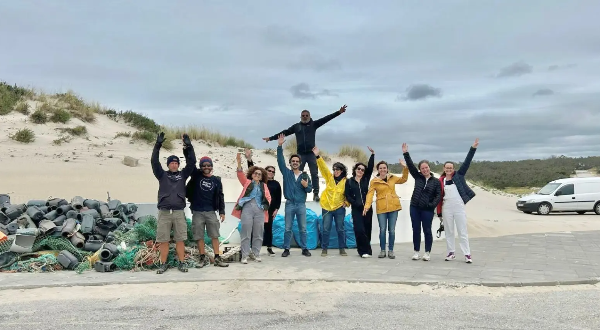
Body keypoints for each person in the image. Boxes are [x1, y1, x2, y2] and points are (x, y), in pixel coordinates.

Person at [262, 105, 348, 202]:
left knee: (314, 173)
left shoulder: (314, 124)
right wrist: (271, 138)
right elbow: (284, 132)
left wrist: (338, 112)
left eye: (307, 115)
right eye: (303, 115)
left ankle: (316, 194)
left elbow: (326, 119)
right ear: (300, 116)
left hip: (311, 154)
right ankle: (295, 192)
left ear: (309, 116)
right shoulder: (296, 127)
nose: (305, 117)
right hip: (300, 155)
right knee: (295, 174)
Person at [151, 132, 196, 274]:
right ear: (168, 164)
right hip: (164, 212)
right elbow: (154, 161)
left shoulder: (183, 175)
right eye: (172, 162)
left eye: (176, 163)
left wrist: (189, 146)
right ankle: (163, 264)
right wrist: (158, 145)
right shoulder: (161, 174)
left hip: (178, 213)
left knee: (180, 239)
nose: (174, 164)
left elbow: (192, 162)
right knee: (163, 240)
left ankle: (181, 262)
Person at [436, 138, 479, 264]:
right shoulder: (441, 181)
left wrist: (473, 148)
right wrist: (438, 212)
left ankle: (467, 254)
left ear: (453, 168)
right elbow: (438, 197)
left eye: (451, 167)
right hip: (446, 207)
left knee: (462, 231)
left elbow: (467, 162)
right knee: (449, 231)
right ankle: (451, 252)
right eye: (447, 168)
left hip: (459, 206)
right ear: (444, 168)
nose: (449, 169)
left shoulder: (459, 176)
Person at [185, 153, 229, 268]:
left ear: (212, 166)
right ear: (200, 167)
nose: (206, 167)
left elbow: (220, 196)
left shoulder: (217, 180)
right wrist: (187, 149)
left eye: (208, 165)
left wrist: (222, 211)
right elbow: (190, 162)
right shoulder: (196, 176)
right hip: (197, 211)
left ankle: (217, 258)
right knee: (199, 236)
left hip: (211, 212)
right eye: (203, 165)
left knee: (215, 235)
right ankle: (202, 257)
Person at [402, 143, 442, 261]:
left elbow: (438, 195)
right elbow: (410, 165)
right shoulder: (418, 177)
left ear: (429, 168)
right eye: (422, 168)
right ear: (420, 170)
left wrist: (431, 206)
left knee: (427, 230)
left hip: (427, 210)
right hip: (414, 207)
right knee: (416, 230)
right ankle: (416, 252)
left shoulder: (435, 181)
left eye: (426, 167)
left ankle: (427, 252)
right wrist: (406, 153)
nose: (425, 170)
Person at [363, 159, 409, 259]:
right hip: (381, 208)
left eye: (384, 168)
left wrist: (405, 168)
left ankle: (391, 250)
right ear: (378, 170)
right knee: (382, 230)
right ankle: (383, 250)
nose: (383, 170)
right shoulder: (374, 181)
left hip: (394, 207)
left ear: (387, 169)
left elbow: (404, 179)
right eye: (381, 168)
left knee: (391, 230)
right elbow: (370, 194)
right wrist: (367, 206)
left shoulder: (392, 178)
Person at [276, 133, 312, 257]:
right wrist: (280, 147)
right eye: (293, 161)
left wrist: (306, 186)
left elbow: (310, 190)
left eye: (297, 161)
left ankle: (304, 248)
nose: (295, 163)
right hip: (290, 204)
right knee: (287, 228)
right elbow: (280, 162)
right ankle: (286, 249)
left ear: (300, 163)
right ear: (290, 163)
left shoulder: (305, 176)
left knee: (303, 228)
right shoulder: (286, 173)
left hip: (301, 205)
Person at [232, 153, 272, 264]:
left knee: (258, 233)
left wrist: (265, 205)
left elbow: (268, 197)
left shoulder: (264, 186)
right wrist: (239, 162)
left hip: (260, 210)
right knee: (246, 232)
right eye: (256, 173)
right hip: (247, 209)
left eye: (259, 174)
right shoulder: (247, 182)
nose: (257, 175)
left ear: (262, 176)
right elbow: (240, 174)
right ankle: (244, 255)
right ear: (252, 174)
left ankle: (256, 253)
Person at [313, 146, 349, 257]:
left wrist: (346, 203)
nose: (335, 171)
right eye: (334, 169)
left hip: (339, 208)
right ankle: (324, 249)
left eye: (337, 169)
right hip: (327, 208)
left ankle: (342, 249)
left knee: (340, 229)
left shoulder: (346, 182)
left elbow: (349, 194)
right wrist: (317, 156)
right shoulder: (329, 178)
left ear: (342, 171)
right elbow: (323, 168)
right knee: (326, 229)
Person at [245, 148, 282, 256]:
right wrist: (249, 159)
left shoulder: (276, 184)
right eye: (269, 171)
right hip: (258, 209)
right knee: (255, 228)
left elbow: (279, 198)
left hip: (270, 210)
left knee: (268, 229)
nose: (271, 172)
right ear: (265, 172)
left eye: (273, 171)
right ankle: (252, 249)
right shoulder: (261, 181)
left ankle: (269, 248)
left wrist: (276, 209)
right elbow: (252, 171)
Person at [344, 147, 375, 258]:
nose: (360, 171)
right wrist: (355, 203)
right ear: (355, 169)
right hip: (357, 209)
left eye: (362, 169)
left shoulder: (366, 179)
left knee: (367, 229)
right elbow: (347, 195)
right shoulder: (349, 181)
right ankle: (362, 251)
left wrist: (372, 155)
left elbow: (370, 168)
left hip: (367, 208)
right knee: (359, 229)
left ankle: (368, 250)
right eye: (358, 168)